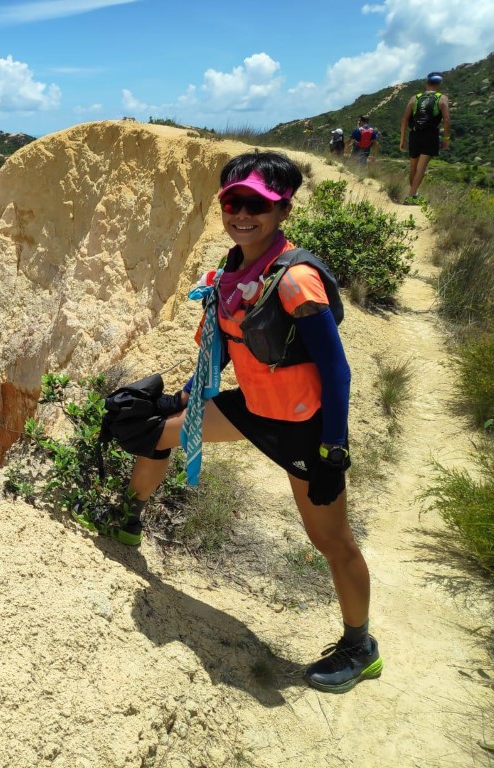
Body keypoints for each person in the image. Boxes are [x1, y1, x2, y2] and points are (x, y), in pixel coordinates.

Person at [82, 151, 381, 694]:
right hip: (252, 407)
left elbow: (337, 374)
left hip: (302, 426)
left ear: (282, 209)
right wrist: (185, 398)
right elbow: (220, 350)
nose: (242, 214)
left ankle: (361, 647)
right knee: (154, 430)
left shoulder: (296, 282)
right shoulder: (231, 271)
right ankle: (129, 517)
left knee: (331, 541)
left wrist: (333, 452)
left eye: (257, 205)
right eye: (232, 202)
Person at [399, 72, 451, 204]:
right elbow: (446, 120)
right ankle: (411, 196)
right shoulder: (442, 98)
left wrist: (402, 140)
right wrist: (446, 139)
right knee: (421, 168)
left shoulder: (414, 98)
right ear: (439, 84)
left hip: (414, 134)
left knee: (413, 168)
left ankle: (413, 194)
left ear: (426, 83)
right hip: (430, 135)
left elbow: (404, 119)